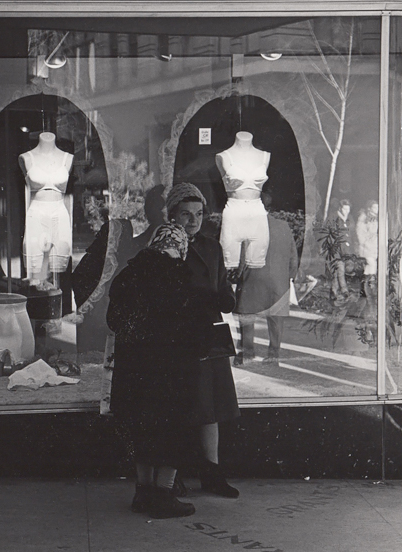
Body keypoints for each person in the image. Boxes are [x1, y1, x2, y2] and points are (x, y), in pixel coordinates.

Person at [107, 222, 205, 518]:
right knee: (172, 430)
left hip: (135, 371)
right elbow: (195, 332)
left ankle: (143, 492)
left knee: (142, 430)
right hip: (172, 373)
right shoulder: (182, 276)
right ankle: (164, 495)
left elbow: (115, 322)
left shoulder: (129, 274)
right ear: (181, 248)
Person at [166, 182, 240, 498]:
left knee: (210, 407)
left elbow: (221, 284)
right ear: (172, 216)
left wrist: (228, 297)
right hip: (176, 336)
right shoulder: (164, 247)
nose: (194, 221)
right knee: (181, 406)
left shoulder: (212, 247)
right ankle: (172, 475)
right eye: (186, 214)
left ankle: (212, 474)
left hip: (208, 333)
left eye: (198, 214)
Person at [234, 188, 299, 366]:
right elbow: (293, 257)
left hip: (253, 280)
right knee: (276, 321)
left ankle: (247, 353)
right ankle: (273, 355)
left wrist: (236, 279)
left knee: (247, 316)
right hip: (279, 282)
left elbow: (240, 258)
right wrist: (288, 278)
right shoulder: (284, 226)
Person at [19, 132, 73, 290]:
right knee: (33, 267)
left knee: (59, 264)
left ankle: (58, 305)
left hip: (59, 211)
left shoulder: (67, 158)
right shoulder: (26, 158)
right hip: (37, 211)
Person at [215, 131, 271, 272]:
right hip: (234, 213)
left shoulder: (265, 156)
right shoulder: (223, 156)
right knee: (228, 270)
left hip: (257, 214)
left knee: (256, 269)